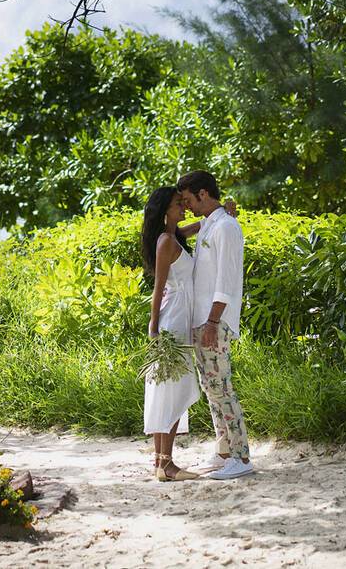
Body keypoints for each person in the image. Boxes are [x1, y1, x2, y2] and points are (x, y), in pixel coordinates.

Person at [177, 169, 253, 480]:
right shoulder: (212, 223)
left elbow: (226, 281)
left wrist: (211, 322)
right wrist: (213, 215)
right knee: (210, 388)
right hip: (201, 319)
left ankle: (241, 456)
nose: (187, 206)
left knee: (222, 388)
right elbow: (179, 233)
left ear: (203, 194)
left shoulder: (226, 228)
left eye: (188, 200)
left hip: (214, 321)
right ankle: (224, 451)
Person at [140, 186, 202, 481]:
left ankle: (160, 463)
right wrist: (154, 332)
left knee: (168, 391)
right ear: (166, 210)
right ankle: (166, 464)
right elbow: (157, 289)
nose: (184, 207)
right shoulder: (166, 241)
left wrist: (215, 214)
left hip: (177, 315)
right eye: (179, 204)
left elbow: (191, 228)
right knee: (173, 392)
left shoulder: (172, 237)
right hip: (173, 321)